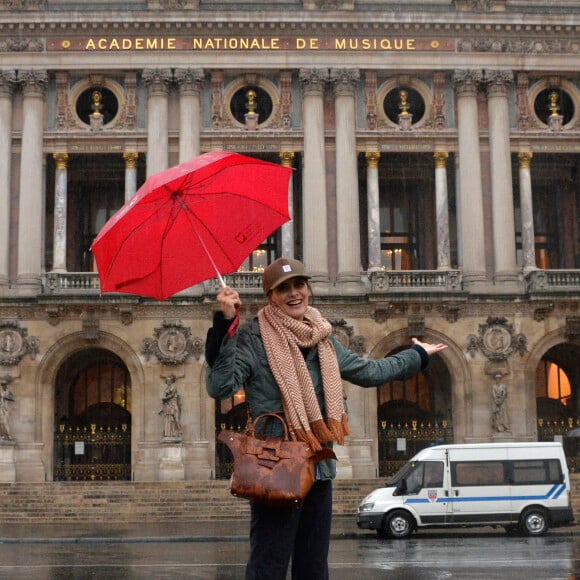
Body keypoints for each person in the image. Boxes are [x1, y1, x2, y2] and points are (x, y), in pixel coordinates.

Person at [205, 257, 447, 580]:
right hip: (276, 469)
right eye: (283, 288)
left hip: (318, 469)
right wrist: (225, 326)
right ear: (270, 297)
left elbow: (370, 371)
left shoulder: (323, 338)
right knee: (268, 566)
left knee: (314, 568)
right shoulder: (253, 338)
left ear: (308, 290)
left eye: (299, 285)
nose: (294, 293)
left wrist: (416, 356)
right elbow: (220, 386)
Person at [159, 375, 182, 439]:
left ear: (172, 381)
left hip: (174, 405)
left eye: (169, 380)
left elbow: (172, 395)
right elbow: (164, 397)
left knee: (176, 419)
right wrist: (164, 403)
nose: (168, 382)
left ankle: (179, 432)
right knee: (168, 419)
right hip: (168, 405)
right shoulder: (166, 389)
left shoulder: (174, 387)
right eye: (167, 381)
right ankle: (169, 433)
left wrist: (165, 398)